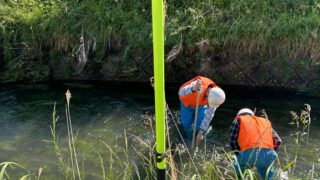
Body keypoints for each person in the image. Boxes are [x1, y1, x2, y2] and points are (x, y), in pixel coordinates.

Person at [228, 108, 282, 180]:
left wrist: (238, 153)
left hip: (248, 154)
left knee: (238, 174)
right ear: (253, 115)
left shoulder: (238, 120)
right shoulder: (265, 122)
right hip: (269, 154)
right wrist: (272, 154)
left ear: (239, 115)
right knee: (267, 177)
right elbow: (278, 141)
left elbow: (232, 140)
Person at [178, 76, 225, 145]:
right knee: (186, 125)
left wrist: (201, 132)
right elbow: (181, 92)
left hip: (201, 105)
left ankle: (197, 140)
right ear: (208, 95)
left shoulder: (217, 97)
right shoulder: (199, 84)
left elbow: (209, 115)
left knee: (200, 127)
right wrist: (193, 89)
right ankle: (189, 139)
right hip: (187, 104)